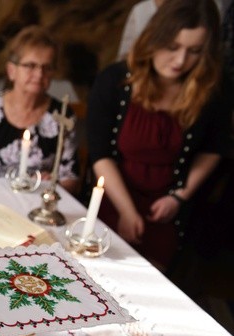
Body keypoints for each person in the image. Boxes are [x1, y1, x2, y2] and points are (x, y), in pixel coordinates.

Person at [87, 0, 230, 271]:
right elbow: (100, 153)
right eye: (172, 47)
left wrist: (179, 197)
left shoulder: (214, 89)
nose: (180, 61)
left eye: (194, 51)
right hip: (112, 199)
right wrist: (127, 211)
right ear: (154, 37)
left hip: (168, 210)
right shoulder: (114, 80)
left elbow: (215, 147)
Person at [0, 25, 80, 195]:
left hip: (38, 201)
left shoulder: (62, 116)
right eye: (30, 65)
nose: (39, 74)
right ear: (11, 70)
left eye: (47, 67)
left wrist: (53, 184)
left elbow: (71, 178)